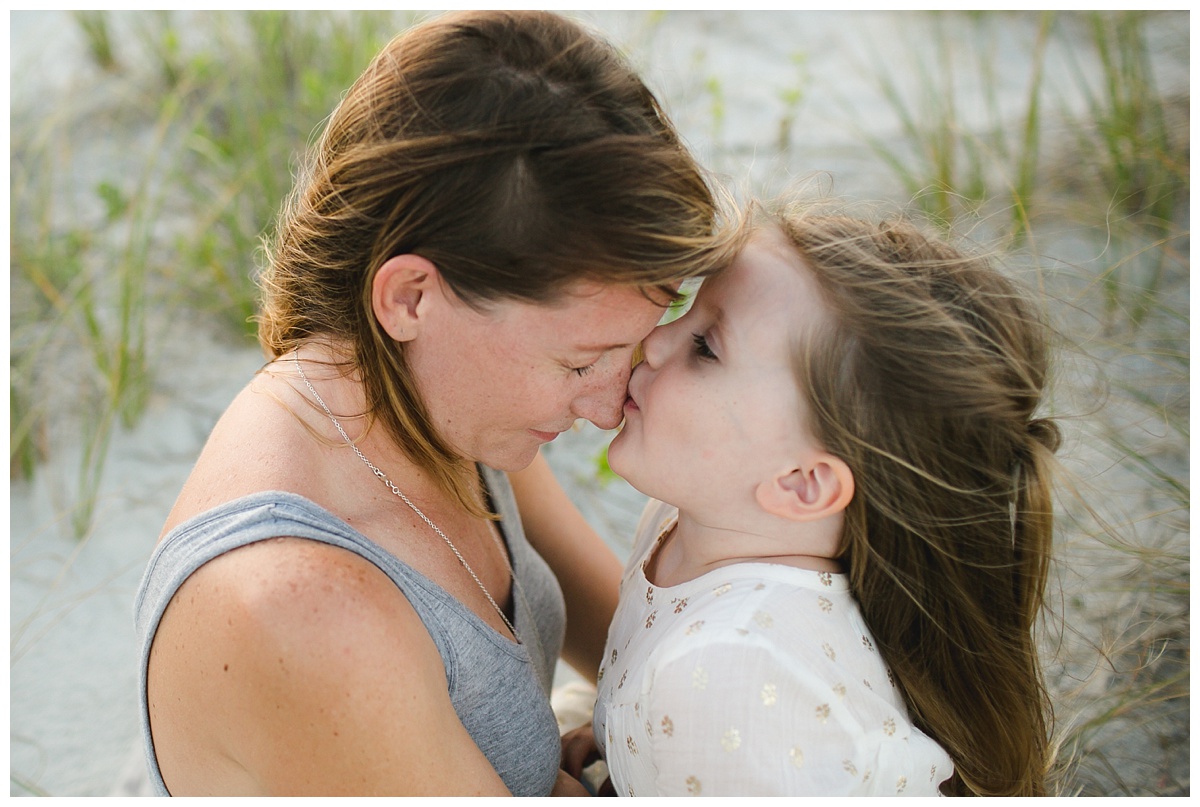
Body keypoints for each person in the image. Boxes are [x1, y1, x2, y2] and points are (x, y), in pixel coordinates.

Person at [133, 10, 738, 796]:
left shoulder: (430, 406)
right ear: (412, 296)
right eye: (580, 360)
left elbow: (636, 638)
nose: (608, 404)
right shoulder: (305, 607)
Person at [574, 204, 1060, 796]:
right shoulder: (687, 526)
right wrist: (621, 740)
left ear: (803, 484)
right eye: (684, 309)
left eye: (705, 346)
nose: (652, 340)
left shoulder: (730, 671)